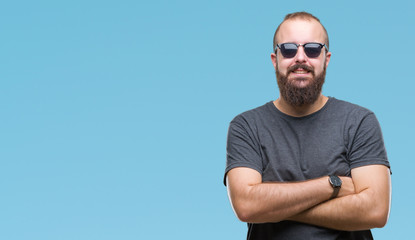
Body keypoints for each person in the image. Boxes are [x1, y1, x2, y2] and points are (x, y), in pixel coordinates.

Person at [224, 12, 391, 240]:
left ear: (326, 58)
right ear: (275, 59)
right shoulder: (246, 126)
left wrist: (275, 209)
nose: (300, 58)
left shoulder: (359, 121)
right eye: (289, 49)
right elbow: (246, 206)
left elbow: (375, 211)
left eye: (312, 49)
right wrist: (334, 185)